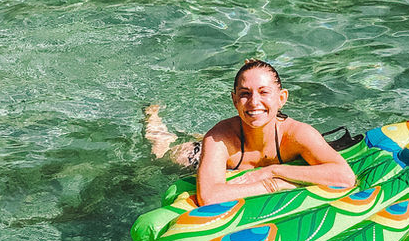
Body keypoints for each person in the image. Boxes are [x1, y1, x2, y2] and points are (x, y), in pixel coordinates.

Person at [144, 59, 356, 204]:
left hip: (237, 144)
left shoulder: (297, 134)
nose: (254, 102)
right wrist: (272, 186)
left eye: (264, 92)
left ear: (282, 98)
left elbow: (344, 177)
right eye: (245, 94)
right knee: (161, 155)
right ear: (234, 100)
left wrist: (273, 172)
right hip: (197, 155)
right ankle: (152, 119)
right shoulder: (218, 137)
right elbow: (209, 196)